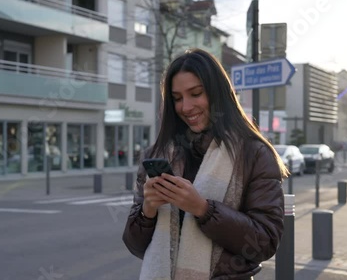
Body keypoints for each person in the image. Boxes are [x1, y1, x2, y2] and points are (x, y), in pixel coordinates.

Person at [122, 48, 288, 280]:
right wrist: (147, 211)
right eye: (177, 98)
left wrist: (203, 209)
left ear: (217, 93)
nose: (186, 107)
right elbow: (136, 246)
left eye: (196, 93)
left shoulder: (254, 154)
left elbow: (265, 242)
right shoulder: (159, 154)